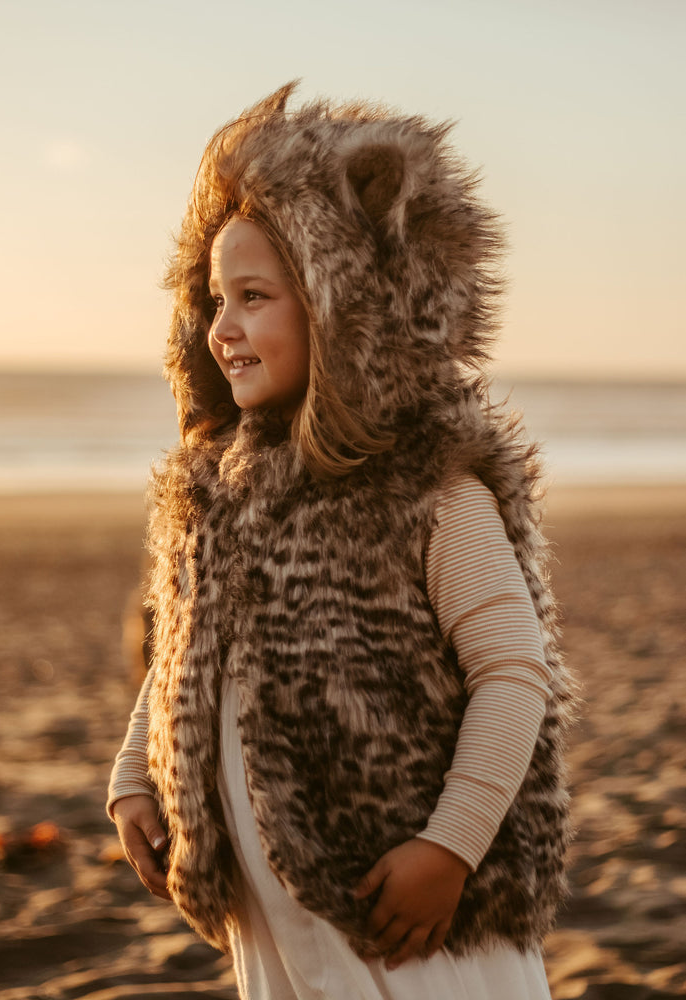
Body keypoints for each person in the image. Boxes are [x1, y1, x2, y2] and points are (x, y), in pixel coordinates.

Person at [108, 82, 573, 999]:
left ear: (339, 307)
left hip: (409, 913)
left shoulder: (428, 489)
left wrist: (449, 847)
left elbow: (514, 673)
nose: (223, 328)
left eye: (254, 297)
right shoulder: (214, 495)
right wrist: (135, 773)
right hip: (271, 916)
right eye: (212, 300)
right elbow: (188, 655)